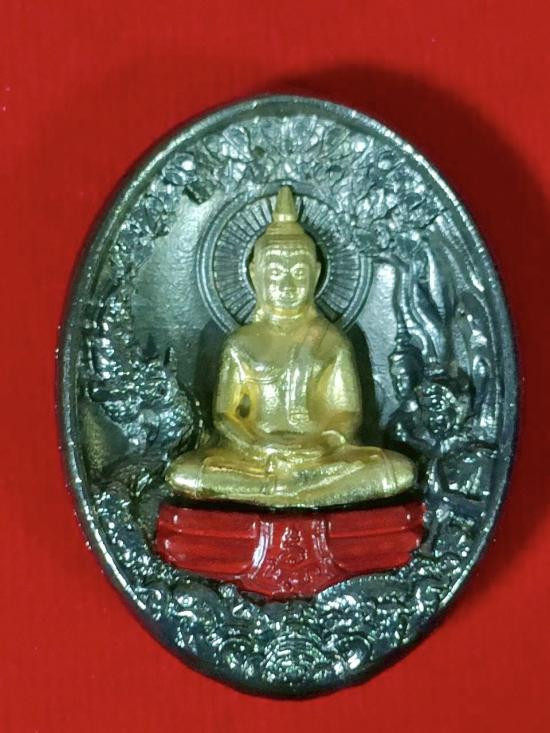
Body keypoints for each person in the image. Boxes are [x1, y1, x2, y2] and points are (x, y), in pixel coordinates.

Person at [166, 186, 415, 507]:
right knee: (184, 473)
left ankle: (279, 491)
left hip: (319, 457)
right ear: (255, 275)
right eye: (275, 273)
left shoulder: (331, 341)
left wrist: (323, 444)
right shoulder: (241, 344)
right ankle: (303, 492)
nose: (286, 284)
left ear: (316, 273)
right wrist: (257, 445)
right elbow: (226, 416)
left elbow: (346, 413)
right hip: (255, 457)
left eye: (298, 272)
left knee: (396, 471)